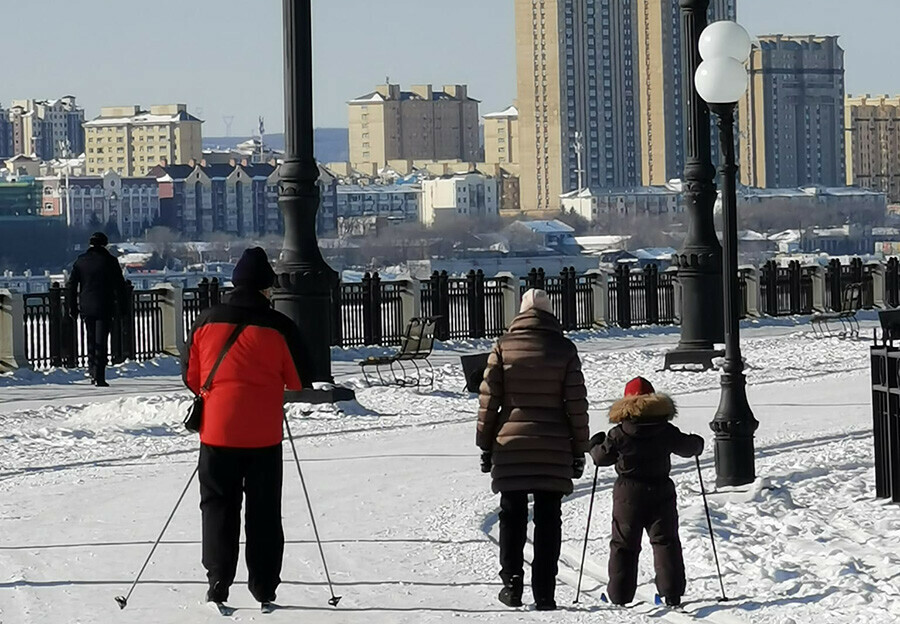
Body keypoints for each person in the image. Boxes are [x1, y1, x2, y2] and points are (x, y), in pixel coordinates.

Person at [182, 247, 310, 611]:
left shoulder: (206, 321)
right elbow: (298, 379)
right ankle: (264, 586)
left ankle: (218, 582)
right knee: (264, 511)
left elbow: (192, 377)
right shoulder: (279, 326)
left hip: (217, 431)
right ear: (267, 288)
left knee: (218, 506)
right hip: (264, 434)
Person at [477, 288, 589, 611]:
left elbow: (489, 402)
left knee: (511, 515)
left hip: (510, 446)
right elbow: (576, 406)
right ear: (549, 314)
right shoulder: (565, 350)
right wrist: (579, 449)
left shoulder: (503, 347)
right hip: (553, 449)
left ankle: (512, 582)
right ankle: (545, 592)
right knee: (549, 519)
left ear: (521, 313)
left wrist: (485, 445)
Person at [589, 377, 704, 607]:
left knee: (624, 545)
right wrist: (696, 441)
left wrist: (594, 443)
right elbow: (690, 447)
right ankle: (672, 594)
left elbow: (601, 458)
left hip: (628, 494)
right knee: (665, 541)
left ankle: (620, 597)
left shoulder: (619, 433)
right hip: (661, 489)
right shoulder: (666, 430)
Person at [67, 231, 127, 387]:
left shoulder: (81, 261)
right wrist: (123, 308)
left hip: (86, 306)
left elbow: (72, 286)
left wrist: (72, 306)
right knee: (102, 339)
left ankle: (92, 371)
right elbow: (120, 286)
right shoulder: (110, 261)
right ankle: (99, 376)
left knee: (91, 339)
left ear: (90, 244)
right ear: (105, 244)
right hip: (105, 305)